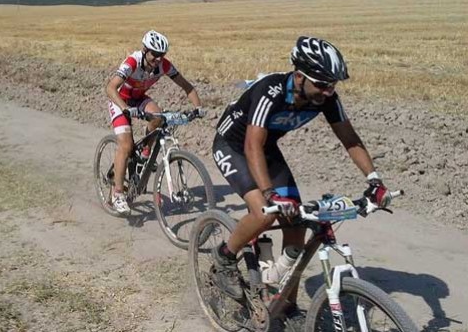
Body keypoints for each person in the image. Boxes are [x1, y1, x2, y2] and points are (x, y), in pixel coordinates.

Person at [211, 36, 392, 322]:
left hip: (265, 149)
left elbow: (349, 138)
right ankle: (224, 256)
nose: (329, 91)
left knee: (296, 225)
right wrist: (270, 195)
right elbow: (251, 145)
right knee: (264, 213)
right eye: (322, 84)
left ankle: (285, 306)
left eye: (333, 85)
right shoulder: (269, 89)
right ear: (298, 76)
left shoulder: (325, 97)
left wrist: (375, 181)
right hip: (234, 145)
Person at [105, 30, 204, 215]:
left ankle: (145, 152)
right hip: (119, 100)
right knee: (126, 146)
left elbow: (187, 86)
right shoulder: (132, 62)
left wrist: (198, 107)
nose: (158, 59)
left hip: (139, 98)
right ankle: (117, 194)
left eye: (162, 55)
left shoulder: (164, 66)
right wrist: (125, 108)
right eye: (155, 55)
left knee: (158, 116)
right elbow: (110, 87)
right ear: (145, 50)